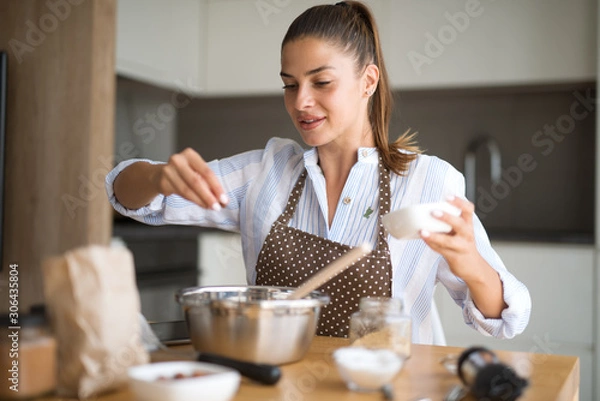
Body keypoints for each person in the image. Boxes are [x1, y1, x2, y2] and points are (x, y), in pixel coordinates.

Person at [106, 1, 531, 341]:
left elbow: (505, 318)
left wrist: (470, 262)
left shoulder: (429, 182)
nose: (300, 102)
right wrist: (158, 178)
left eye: (320, 82)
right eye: (290, 84)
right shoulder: (265, 173)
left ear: (368, 81)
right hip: (276, 385)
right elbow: (126, 196)